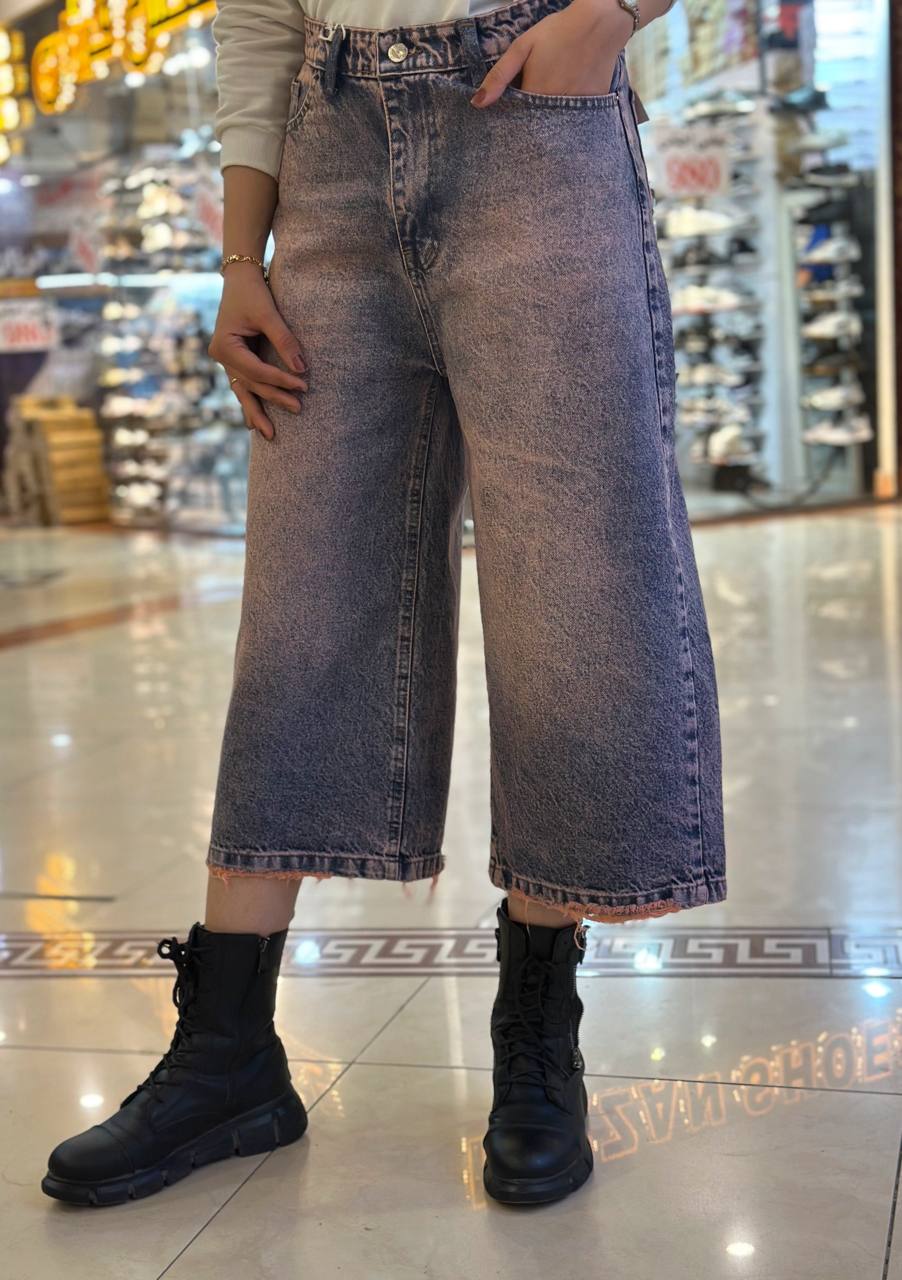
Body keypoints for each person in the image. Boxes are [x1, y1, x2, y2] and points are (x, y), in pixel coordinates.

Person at [43, 0, 725, 1210]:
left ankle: (534, 1028)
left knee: (567, 586)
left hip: (532, 122)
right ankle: (229, 1047)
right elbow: (255, 16)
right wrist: (238, 259)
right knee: (300, 604)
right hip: (327, 149)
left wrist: (611, 16)